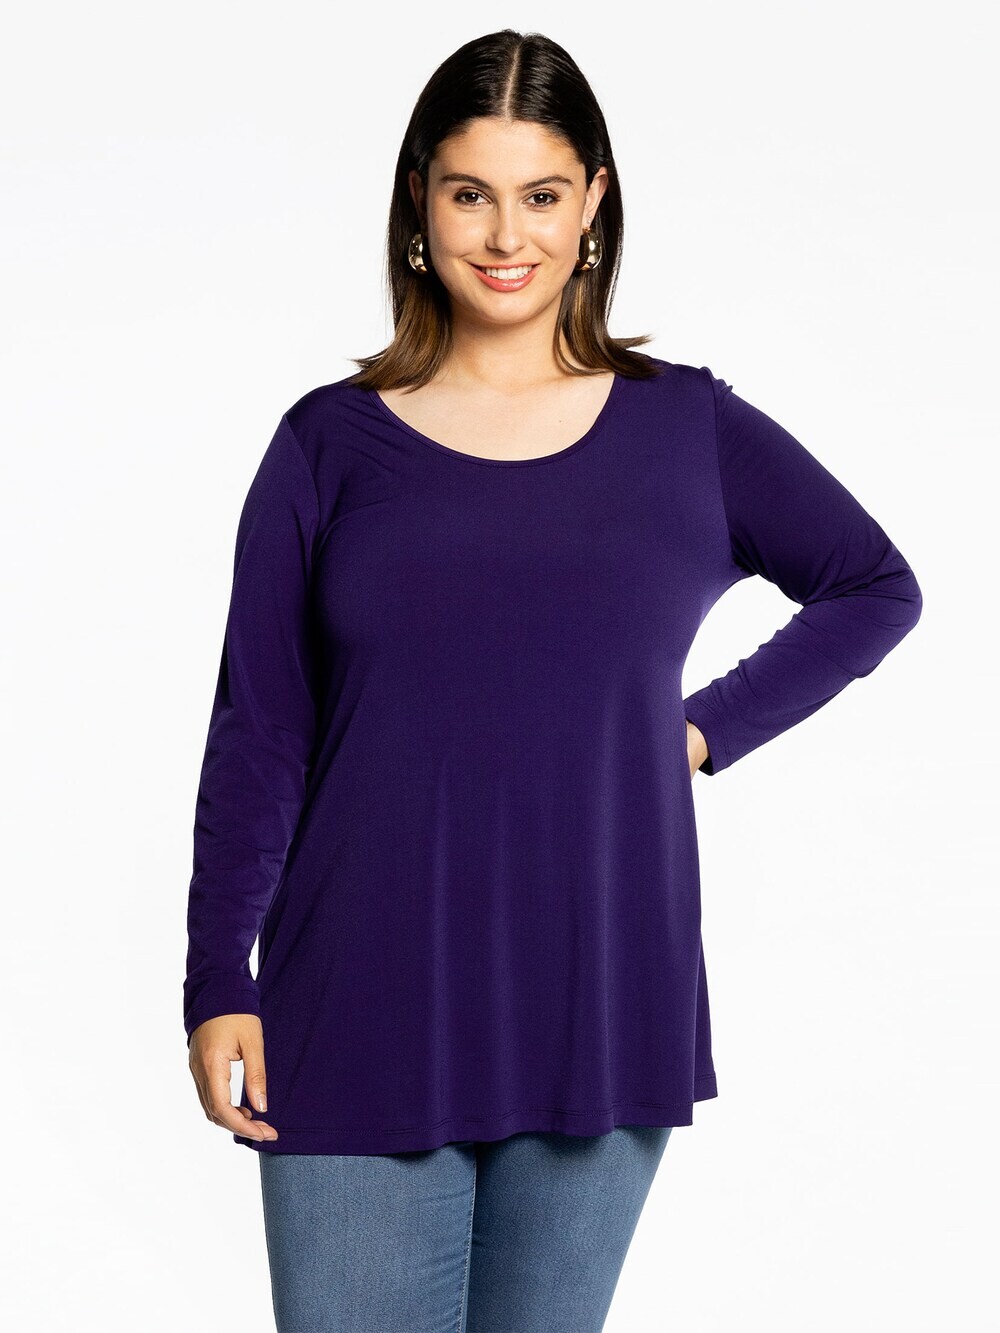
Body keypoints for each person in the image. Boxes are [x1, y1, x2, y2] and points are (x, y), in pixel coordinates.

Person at [182, 28, 923, 1333]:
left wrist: (701, 729)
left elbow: (874, 583)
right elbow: (261, 729)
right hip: (357, 992)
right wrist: (215, 976)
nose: (505, 233)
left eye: (541, 193)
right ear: (420, 204)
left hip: (600, 989)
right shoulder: (325, 446)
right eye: (470, 192)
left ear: (593, 204)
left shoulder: (686, 430)